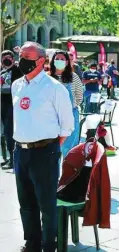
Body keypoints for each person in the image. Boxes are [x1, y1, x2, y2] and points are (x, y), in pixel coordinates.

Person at [12, 42, 74, 252]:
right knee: (26, 202)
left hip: (44, 151)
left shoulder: (54, 88)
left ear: (40, 60)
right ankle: (32, 242)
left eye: (26, 56)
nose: (21, 60)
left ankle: (49, 244)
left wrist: (49, 147)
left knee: (46, 203)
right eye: (20, 55)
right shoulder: (17, 85)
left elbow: (67, 126)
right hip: (20, 151)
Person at [49, 50, 83, 158]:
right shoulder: (46, 78)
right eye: (57, 59)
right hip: (51, 116)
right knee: (52, 149)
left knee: (69, 149)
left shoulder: (74, 77)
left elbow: (79, 96)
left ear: (67, 62)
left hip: (71, 114)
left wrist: (67, 108)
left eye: (62, 59)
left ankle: (68, 173)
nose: (59, 61)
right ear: (52, 61)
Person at [1, 50, 23, 170]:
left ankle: (14, 160)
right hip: (2, 105)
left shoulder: (18, 70)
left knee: (10, 134)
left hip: (13, 106)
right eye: (3, 58)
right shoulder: (2, 71)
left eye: (8, 58)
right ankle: (9, 158)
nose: (6, 60)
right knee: (5, 134)